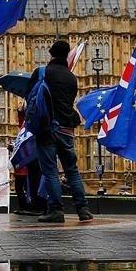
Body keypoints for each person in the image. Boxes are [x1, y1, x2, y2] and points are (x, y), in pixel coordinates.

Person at [33, 40, 93, 223]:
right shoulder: (71, 77)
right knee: (72, 171)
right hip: (67, 129)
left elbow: (33, 98)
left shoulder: (43, 73)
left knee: (50, 171)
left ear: (51, 54)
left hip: (48, 128)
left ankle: (56, 210)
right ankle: (83, 209)